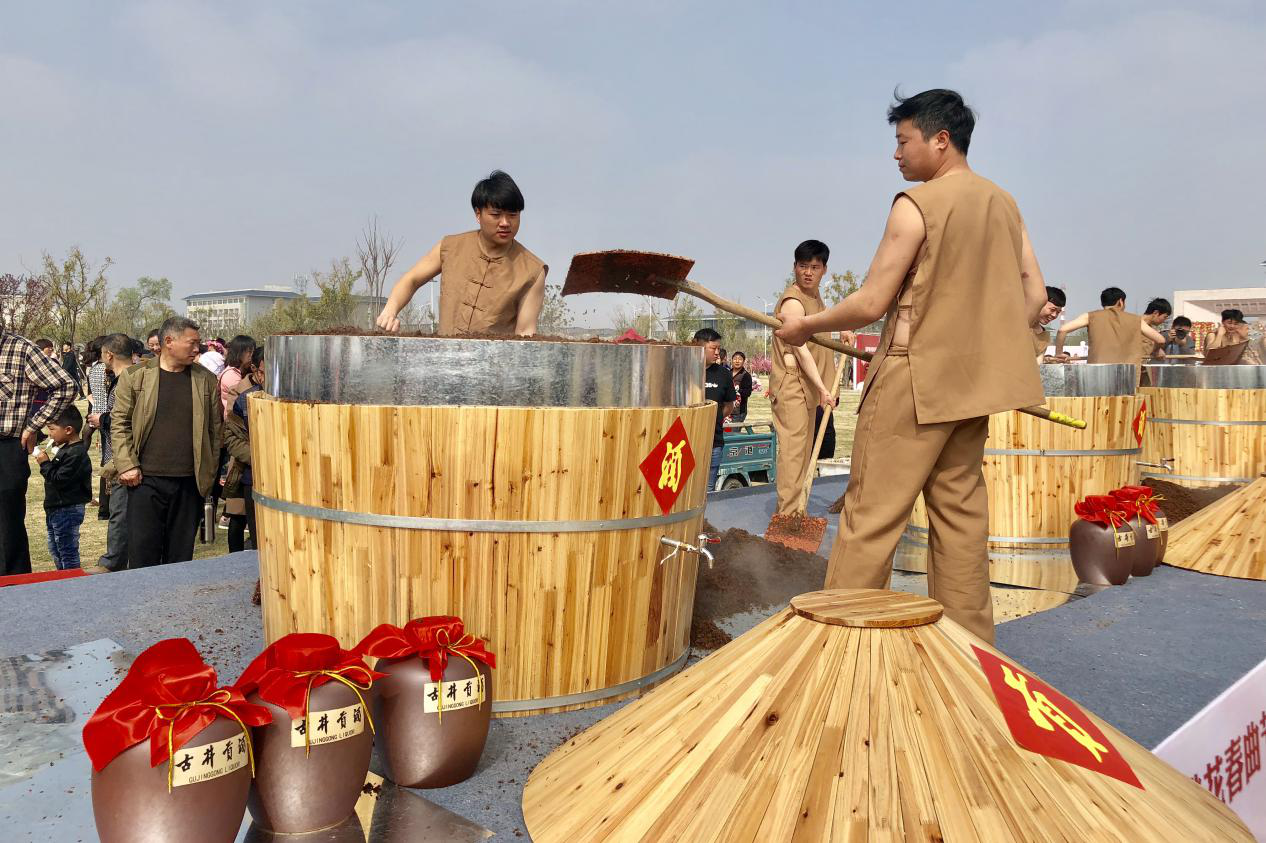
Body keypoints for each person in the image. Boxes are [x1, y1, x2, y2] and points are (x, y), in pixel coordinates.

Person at [777, 89, 1047, 643]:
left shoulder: (916, 204)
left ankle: (838, 648)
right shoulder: (1004, 203)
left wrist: (805, 325)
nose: (896, 154)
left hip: (913, 379)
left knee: (870, 519)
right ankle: (970, 655)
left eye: (903, 141)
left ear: (939, 140)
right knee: (960, 523)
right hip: (974, 388)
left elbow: (873, 301)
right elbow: (1034, 296)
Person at [376, 170, 548, 336]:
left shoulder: (533, 271)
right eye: (496, 214)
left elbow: (525, 334)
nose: (505, 223)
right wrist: (390, 312)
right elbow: (411, 279)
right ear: (478, 214)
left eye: (513, 215)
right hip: (443, 360)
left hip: (495, 364)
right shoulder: (450, 247)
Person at [111, 317, 223, 568]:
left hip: (189, 483)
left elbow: (215, 432)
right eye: (192, 343)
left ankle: (175, 608)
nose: (198, 349)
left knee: (180, 559)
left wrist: (209, 472)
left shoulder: (205, 380)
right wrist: (127, 464)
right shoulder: (136, 377)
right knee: (143, 555)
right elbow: (120, 424)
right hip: (145, 481)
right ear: (169, 342)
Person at [770, 240, 839, 517]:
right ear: (794, 267)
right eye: (802, 266)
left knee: (804, 452)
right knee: (793, 453)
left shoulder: (816, 300)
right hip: (792, 384)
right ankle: (787, 516)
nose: (808, 272)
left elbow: (824, 327)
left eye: (814, 267)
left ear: (824, 269)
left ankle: (798, 511)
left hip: (808, 388)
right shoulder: (793, 302)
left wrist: (843, 329)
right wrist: (823, 388)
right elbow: (800, 351)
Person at [0, 328, 76, 575]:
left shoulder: (22, 349)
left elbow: (65, 386)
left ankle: (13, 590)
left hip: (7, 447)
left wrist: (33, 425)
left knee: (7, 526)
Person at [88, 333, 137, 572]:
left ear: (109, 355)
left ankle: (114, 560)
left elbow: (125, 421)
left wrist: (101, 419)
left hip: (123, 458)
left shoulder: (126, 381)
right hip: (122, 456)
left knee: (121, 511)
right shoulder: (133, 376)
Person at [35, 404, 92, 570]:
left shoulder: (76, 453)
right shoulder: (66, 449)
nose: (49, 434)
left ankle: (72, 583)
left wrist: (45, 463)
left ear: (68, 430)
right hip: (56, 508)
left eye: (52, 429)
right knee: (55, 548)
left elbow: (58, 479)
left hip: (67, 509)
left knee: (67, 550)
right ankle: (62, 579)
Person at [1054, 287, 1165, 364]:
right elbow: (1160, 340)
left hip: (1097, 373)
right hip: (1127, 375)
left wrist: (1058, 354)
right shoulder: (1135, 320)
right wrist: (1156, 351)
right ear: (1121, 302)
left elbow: (1062, 330)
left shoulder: (1091, 316)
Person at [224, 345, 264, 552]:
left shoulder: (300, 399)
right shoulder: (245, 400)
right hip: (253, 477)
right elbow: (231, 436)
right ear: (256, 370)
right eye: (266, 373)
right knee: (258, 539)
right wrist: (259, 458)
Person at [694, 328, 736, 491]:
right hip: (684, 442)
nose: (718, 353)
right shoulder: (682, 370)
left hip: (713, 442)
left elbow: (729, 405)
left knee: (708, 490)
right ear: (698, 346)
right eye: (713, 348)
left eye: (719, 348)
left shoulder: (723, 374)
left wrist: (714, 419)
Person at [218, 335, 256, 417]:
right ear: (239, 353)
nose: (252, 355)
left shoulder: (241, 372)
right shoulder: (231, 375)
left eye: (253, 351)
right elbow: (244, 398)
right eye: (249, 351)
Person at [1032, 286, 1066, 361]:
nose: (1054, 315)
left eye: (1058, 312)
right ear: (1040, 303)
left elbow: (1038, 363)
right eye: (1052, 310)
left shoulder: (1045, 337)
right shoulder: (1018, 324)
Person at [1140, 298, 1172, 362]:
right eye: (1164, 317)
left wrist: (1157, 349)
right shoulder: (1136, 323)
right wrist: (1156, 351)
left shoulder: (1151, 329)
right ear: (1156, 313)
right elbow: (1161, 341)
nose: (1164, 320)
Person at [729, 351, 753, 422]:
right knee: (725, 432)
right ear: (732, 360)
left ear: (743, 361)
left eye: (740, 359)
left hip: (738, 412)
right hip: (726, 410)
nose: (737, 361)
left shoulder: (746, 375)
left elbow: (748, 392)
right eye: (735, 359)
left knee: (734, 432)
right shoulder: (727, 373)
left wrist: (736, 390)